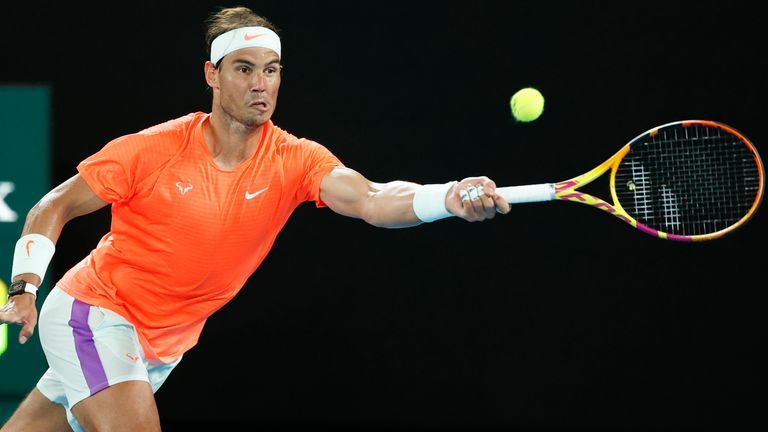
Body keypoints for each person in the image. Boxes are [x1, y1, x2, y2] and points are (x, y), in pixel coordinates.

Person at [0, 6, 510, 431]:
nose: (259, 84)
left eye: (271, 69)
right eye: (243, 68)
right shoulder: (151, 150)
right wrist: (25, 287)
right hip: (94, 313)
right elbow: (54, 205)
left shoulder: (296, 159)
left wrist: (447, 197)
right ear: (212, 75)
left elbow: (373, 199)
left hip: (163, 343)